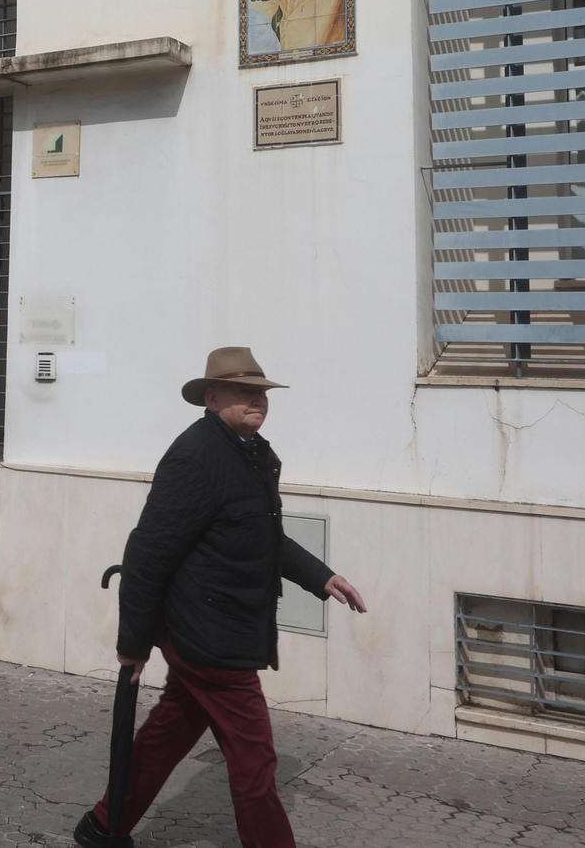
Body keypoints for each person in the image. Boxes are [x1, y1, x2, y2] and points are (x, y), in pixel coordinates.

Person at [74, 347, 367, 848]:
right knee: (255, 762)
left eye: (260, 391)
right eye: (242, 390)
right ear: (211, 398)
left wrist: (321, 576)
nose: (256, 399)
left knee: (171, 728)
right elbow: (147, 553)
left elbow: (264, 537)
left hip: (220, 629)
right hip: (210, 639)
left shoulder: (249, 452)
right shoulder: (197, 456)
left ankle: (104, 823)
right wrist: (133, 645)